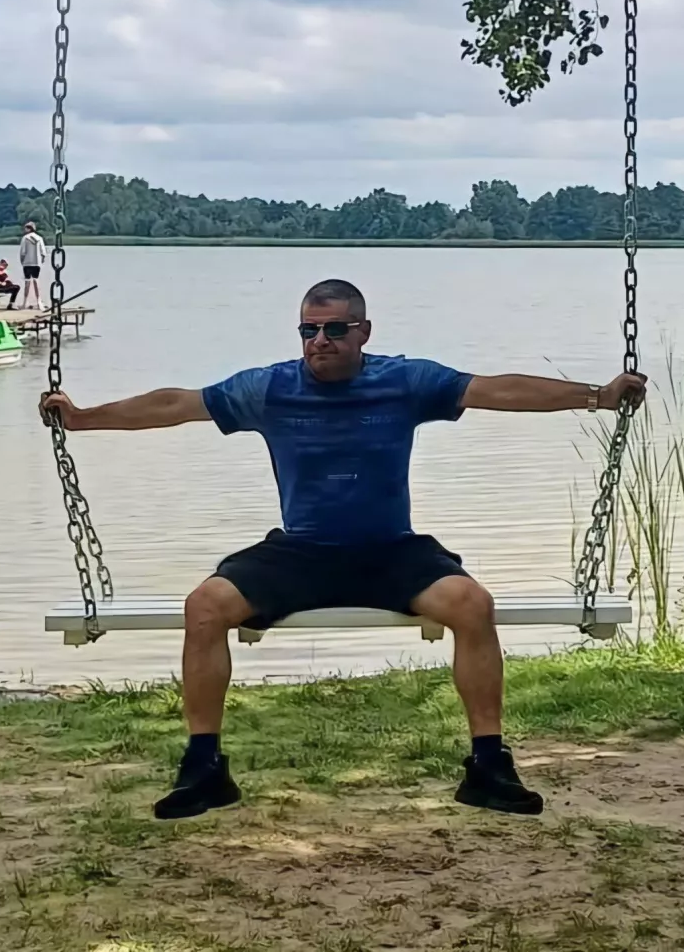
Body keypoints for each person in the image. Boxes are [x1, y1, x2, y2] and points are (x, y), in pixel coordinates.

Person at [40, 278, 647, 823]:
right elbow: (177, 404)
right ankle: (203, 768)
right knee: (204, 606)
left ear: (363, 332)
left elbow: (496, 389)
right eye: (309, 330)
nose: (320, 341)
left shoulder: (404, 382)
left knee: (472, 605)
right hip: (301, 554)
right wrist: (84, 419)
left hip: (390, 553)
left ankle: (489, 766)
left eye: (334, 329)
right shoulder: (270, 388)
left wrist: (597, 395)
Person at [18, 221, 47, 310]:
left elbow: (22, 252)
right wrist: (41, 261)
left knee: (27, 282)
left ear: (29, 228)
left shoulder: (25, 238)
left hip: (27, 263)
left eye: (26, 228)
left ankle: (24, 302)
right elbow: (43, 252)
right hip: (37, 263)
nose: (25, 229)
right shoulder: (39, 238)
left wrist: (22, 261)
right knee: (36, 281)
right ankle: (39, 302)